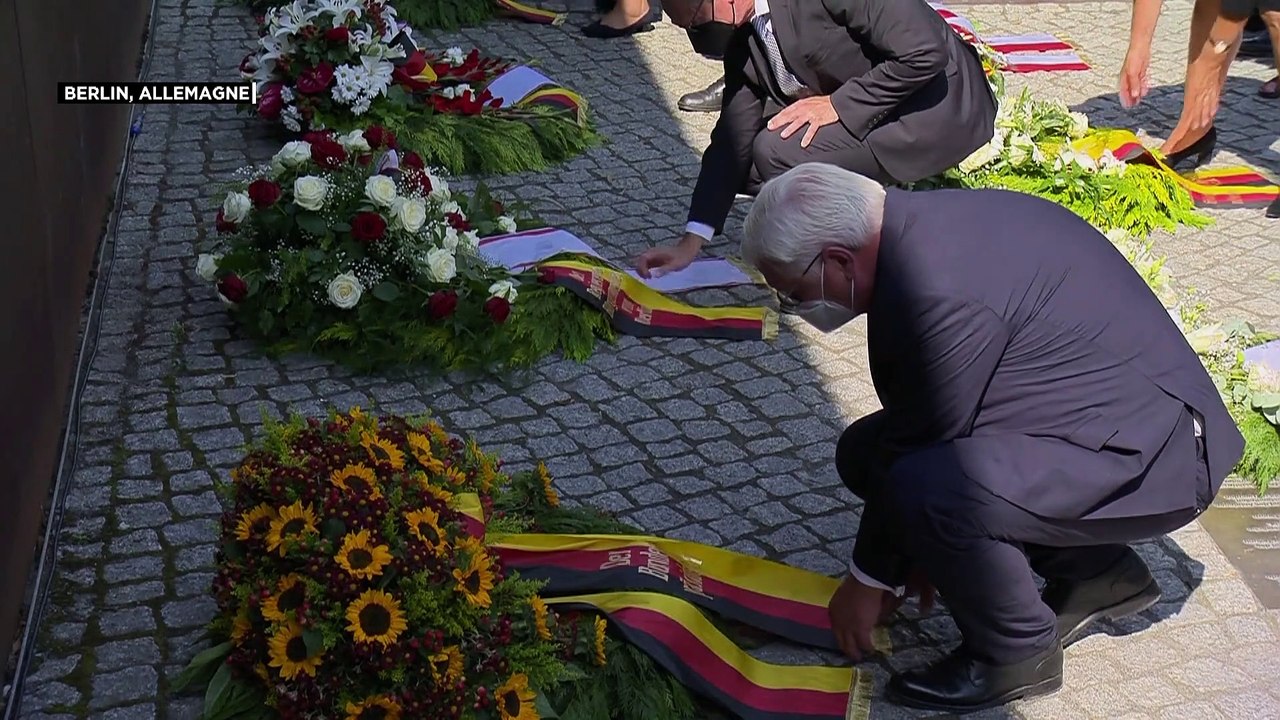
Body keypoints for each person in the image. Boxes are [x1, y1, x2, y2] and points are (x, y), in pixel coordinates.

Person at [739, 163, 1245, 712]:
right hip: (1104, 420)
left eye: (794, 294)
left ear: (839, 259)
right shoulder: (927, 228)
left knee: (926, 488)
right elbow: (921, 421)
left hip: (1157, 457)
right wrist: (913, 550)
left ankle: (1015, 651)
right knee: (866, 454)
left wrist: (870, 579)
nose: (799, 309)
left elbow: (922, 445)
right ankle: (1098, 574)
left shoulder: (935, 287)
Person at [633, 0, 998, 279]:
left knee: (775, 153)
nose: (698, 34)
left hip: (935, 109)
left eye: (696, 20)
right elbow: (732, 137)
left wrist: (838, 105)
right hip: (879, 101)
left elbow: (925, 51)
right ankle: (850, 211)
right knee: (749, 169)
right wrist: (690, 242)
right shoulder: (744, 35)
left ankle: (852, 252)